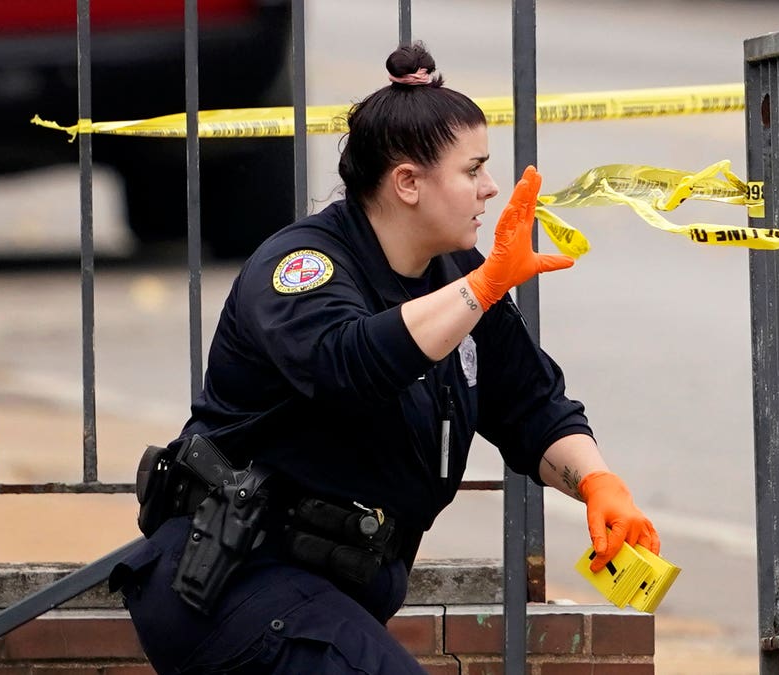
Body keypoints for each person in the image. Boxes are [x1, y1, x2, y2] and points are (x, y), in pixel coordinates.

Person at [111, 42, 661, 674]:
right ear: (407, 182)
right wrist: (478, 292)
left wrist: (597, 483)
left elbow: (529, 403)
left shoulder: (454, 274)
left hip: (329, 595)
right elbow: (348, 364)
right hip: (234, 584)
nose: (490, 189)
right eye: (472, 170)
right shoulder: (301, 269)